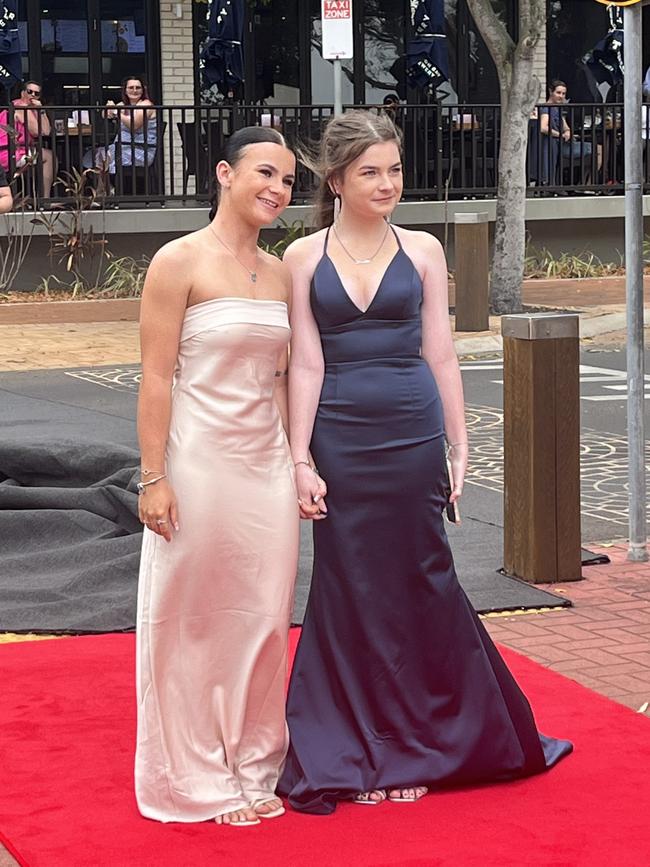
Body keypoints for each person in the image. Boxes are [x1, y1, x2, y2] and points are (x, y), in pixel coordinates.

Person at [277, 110, 572, 814]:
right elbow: (307, 364)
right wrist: (299, 457)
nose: (387, 184)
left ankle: (434, 737)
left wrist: (460, 442)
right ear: (338, 180)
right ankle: (358, 739)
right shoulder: (302, 257)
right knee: (351, 583)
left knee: (421, 575)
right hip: (340, 437)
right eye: (371, 172)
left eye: (395, 170)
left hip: (410, 432)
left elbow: (439, 350)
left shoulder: (425, 250)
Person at [135, 126, 302, 827]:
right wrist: (152, 476)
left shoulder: (283, 271)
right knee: (194, 617)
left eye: (290, 181)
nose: (278, 189)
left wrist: (299, 461)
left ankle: (255, 757)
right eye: (266, 173)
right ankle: (195, 770)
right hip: (199, 465)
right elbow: (154, 375)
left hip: (268, 469)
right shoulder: (178, 262)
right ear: (225, 173)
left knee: (264, 617)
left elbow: (286, 376)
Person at [539, 80, 599, 188]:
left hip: (564, 143)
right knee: (595, 149)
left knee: (596, 148)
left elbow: (566, 126)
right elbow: (543, 128)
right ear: (550, 92)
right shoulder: (546, 108)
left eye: (563, 94)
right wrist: (560, 135)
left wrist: (568, 132)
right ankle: (587, 184)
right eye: (558, 93)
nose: (561, 96)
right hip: (557, 146)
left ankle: (584, 183)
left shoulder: (558, 109)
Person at [104, 77, 158, 193]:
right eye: (131, 87)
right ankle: (105, 191)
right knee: (97, 155)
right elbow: (107, 114)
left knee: (106, 157)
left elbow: (134, 125)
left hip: (141, 149)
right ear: (125, 90)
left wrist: (116, 112)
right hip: (125, 147)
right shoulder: (124, 105)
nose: (134, 90)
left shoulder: (146, 105)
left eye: (138, 88)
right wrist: (109, 110)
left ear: (143, 90)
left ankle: (107, 191)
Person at [10, 81, 56, 198]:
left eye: (36, 93)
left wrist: (42, 110)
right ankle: (45, 199)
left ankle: (40, 198)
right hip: (10, 152)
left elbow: (46, 131)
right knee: (49, 157)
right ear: (22, 93)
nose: (33, 95)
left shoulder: (32, 109)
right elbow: (36, 131)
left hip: (18, 150)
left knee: (46, 155)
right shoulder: (21, 107)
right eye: (30, 92)